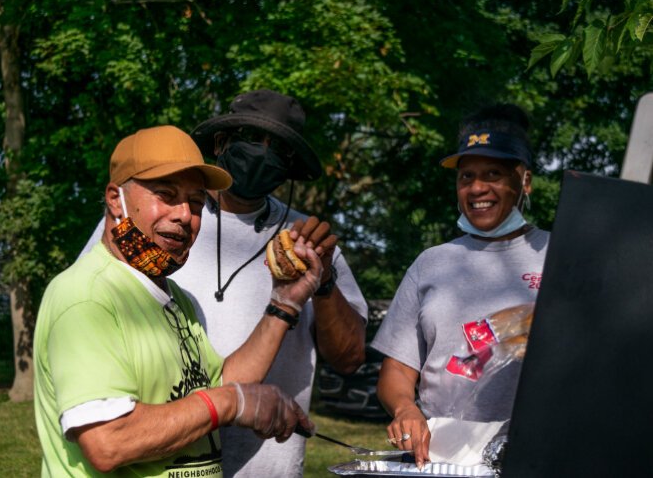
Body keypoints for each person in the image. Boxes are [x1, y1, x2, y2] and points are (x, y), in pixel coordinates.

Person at [80, 89, 368, 477]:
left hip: (268, 466)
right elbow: (91, 311)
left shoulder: (308, 244)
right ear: (221, 142)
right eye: (252, 139)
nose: (263, 154)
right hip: (158, 461)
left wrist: (324, 282)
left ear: (290, 168)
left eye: (279, 149)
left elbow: (349, 358)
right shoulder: (152, 224)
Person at [34, 125, 323, 477]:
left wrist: (284, 303)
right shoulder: (87, 296)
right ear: (115, 200)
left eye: (197, 202)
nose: (185, 215)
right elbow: (108, 441)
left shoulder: (177, 300)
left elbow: (216, 387)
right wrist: (233, 402)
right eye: (166, 194)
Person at [371, 104, 550, 468]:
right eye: (466, 176)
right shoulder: (431, 263)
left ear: (524, 181)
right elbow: (398, 371)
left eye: (493, 174)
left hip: (537, 454)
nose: (477, 187)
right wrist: (406, 408)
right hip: (443, 457)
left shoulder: (558, 254)